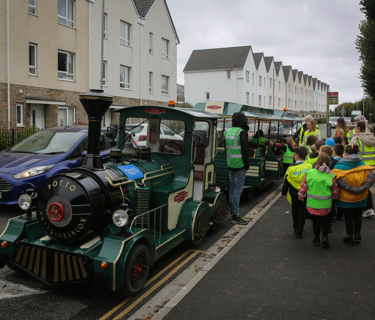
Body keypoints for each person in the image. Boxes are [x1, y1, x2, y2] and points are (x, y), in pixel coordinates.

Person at [332, 145, 375, 245]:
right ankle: (357, 233)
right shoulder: (364, 165)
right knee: (358, 214)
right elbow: (370, 178)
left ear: (346, 154)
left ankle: (349, 236)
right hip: (361, 196)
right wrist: (364, 188)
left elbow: (334, 179)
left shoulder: (339, 166)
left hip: (346, 197)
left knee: (348, 216)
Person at [298, 153, 339, 248]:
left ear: (317, 163)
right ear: (329, 163)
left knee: (316, 223)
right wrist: (335, 198)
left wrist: (301, 195)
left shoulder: (310, 173)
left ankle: (316, 239)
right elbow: (335, 191)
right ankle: (325, 237)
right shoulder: (331, 176)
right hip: (326, 205)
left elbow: (304, 187)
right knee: (326, 222)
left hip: (313, 205)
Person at [224, 112, 250, 225]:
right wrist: (247, 164)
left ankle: (232, 213)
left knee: (232, 188)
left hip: (230, 164)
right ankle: (235, 215)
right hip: (240, 165)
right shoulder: (242, 133)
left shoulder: (227, 132)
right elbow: (245, 151)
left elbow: (226, 150)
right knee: (237, 191)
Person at [282, 146, 312, 239]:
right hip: (305, 192)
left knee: (295, 210)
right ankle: (300, 230)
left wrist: (284, 192)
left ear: (297, 156)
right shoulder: (309, 166)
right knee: (302, 211)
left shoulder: (291, 167)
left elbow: (287, 180)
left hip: (294, 192)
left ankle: (295, 227)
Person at [350, 120, 375, 217]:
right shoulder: (373, 138)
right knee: (366, 188)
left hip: (362, 168)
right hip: (372, 168)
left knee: (363, 189)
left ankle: (368, 208)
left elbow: (350, 152)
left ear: (359, 128)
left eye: (356, 127)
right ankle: (368, 208)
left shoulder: (357, 139)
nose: (355, 129)